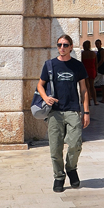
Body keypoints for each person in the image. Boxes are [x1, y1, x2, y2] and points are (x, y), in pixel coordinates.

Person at [37, 34, 90, 192]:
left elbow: (84, 89)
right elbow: (40, 85)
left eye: (65, 45)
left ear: (71, 47)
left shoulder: (78, 66)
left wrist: (86, 111)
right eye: (59, 44)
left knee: (75, 144)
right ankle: (59, 177)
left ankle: (71, 169)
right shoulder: (50, 65)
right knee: (55, 147)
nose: (62, 48)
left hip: (73, 110)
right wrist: (46, 98)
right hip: (55, 112)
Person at [81, 40, 98, 106]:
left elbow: (81, 63)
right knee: (92, 86)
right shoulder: (93, 53)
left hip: (85, 70)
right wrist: (96, 71)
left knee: (87, 87)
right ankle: (95, 101)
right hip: (92, 70)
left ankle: (88, 102)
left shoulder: (83, 54)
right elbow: (95, 63)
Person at [94, 38, 104, 104]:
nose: (97, 45)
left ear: (101, 44)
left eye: (98, 44)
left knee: (92, 83)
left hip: (100, 70)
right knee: (103, 84)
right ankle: (103, 99)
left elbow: (102, 60)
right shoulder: (98, 51)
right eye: (96, 44)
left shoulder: (102, 51)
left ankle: (92, 97)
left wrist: (97, 66)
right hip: (101, 70)